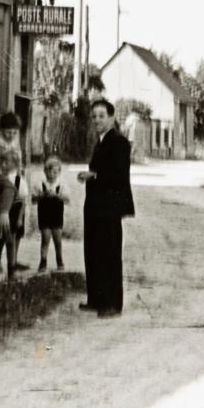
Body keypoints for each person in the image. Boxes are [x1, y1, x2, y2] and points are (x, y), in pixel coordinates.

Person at [78, 100, 134, 318]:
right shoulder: (100, 142)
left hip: (109, 207)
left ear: (111, 118)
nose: (97, 120)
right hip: (95, 205)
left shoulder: (119, 142)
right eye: (94, 116)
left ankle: (112, 303)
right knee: (93, 251)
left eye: (101, 116)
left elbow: (119, 175)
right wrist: (91, 176)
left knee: (109, 253)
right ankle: (96, 299)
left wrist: (94, 175)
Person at [0, 144, 30, 275]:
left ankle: (11, 267)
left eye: (6, 162)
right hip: (3, 211)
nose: (3, 165)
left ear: (14, 164)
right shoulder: (0, 177)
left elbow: (23, 201)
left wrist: (20, 218)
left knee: (11, 241)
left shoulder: (18, 180)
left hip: (14, 212)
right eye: (1, 161)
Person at [33, 155, 68, 272]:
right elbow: (33, 199)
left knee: (58, 239)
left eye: (54, 172)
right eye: (48, 171)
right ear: (44, 171)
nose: (51, 174)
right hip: (44, 215)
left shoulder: (61, 184)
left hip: (57, 215)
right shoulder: (40, 184)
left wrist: (57, 196)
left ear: (59, 172)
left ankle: (60, 260)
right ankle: (43, 261)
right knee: (45, 238)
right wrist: (42, 195)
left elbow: (67, 199)